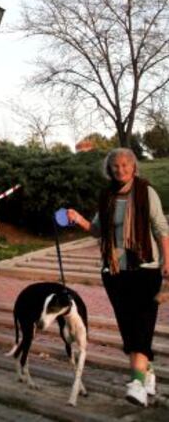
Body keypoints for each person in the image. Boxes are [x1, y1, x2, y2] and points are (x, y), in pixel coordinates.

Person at [67, 148, 169, 407]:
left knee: (142, 326)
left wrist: (168, 261)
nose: (120, 170)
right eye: (115, 166)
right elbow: (98, 230)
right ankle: (147, 374)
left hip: (146, 269)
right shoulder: (107, 196)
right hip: (114, 273)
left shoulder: (147, 192)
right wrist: (78, 219)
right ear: (110, 170)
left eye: (125, 165)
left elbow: (160, 228)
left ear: (134, 167)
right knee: (128, 328)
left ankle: (136, 382)